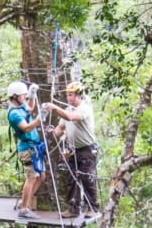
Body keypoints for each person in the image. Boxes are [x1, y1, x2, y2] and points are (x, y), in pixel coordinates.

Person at [42, 81, 99, 220]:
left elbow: (71, 118)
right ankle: (73, 209)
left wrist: (55, 108)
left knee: (87, 178)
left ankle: (92, 208)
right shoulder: (68, 109)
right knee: (72, 179)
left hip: (87, 149)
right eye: (67, 95)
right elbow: (60, 128)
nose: (68, 97)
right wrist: (49, 137)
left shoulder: (84, 109)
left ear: (79, 96)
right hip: (73, 150)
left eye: (71, 95)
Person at [7, 80, 46, 219]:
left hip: (34, 146)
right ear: (15, 96)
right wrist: (40, 118)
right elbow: (27, 127)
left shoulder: (20, 106)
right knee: (31, 178)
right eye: (23, 95)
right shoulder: (14, 114)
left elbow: (30, 107)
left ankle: (26, 202)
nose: (25, 97)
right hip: (27, 148)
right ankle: (23, 209)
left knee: (41, 177)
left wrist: (33, 94)